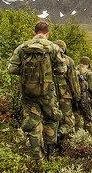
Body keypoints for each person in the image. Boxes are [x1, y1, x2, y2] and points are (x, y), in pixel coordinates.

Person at [8, 21, 66, 162]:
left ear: (34, 33)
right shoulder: (53, 47)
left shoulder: (22, 48)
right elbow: (61, 70)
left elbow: (11, 69)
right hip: (47, 93)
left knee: (33, 124)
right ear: (47, 33)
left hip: (28, 93)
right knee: (52, 119)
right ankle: (50, 154)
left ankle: (38, 159)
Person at [53, 40, 80, 147]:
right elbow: (73, 81)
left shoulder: (47, 59)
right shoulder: (68, 61)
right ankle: (60, 136)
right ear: (63, 49)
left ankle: (51, 143)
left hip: (50, 96)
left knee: (52, 120)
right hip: (65, 97)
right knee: (68, 122)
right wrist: (77, 97)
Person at [75, 56, 92, 133]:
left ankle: (75, 136)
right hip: (84, 99)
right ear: (87, 64)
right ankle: (88, 138)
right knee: (87, 119)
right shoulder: (88, 73)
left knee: (76, 118)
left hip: (73, 98)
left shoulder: (73, 69)